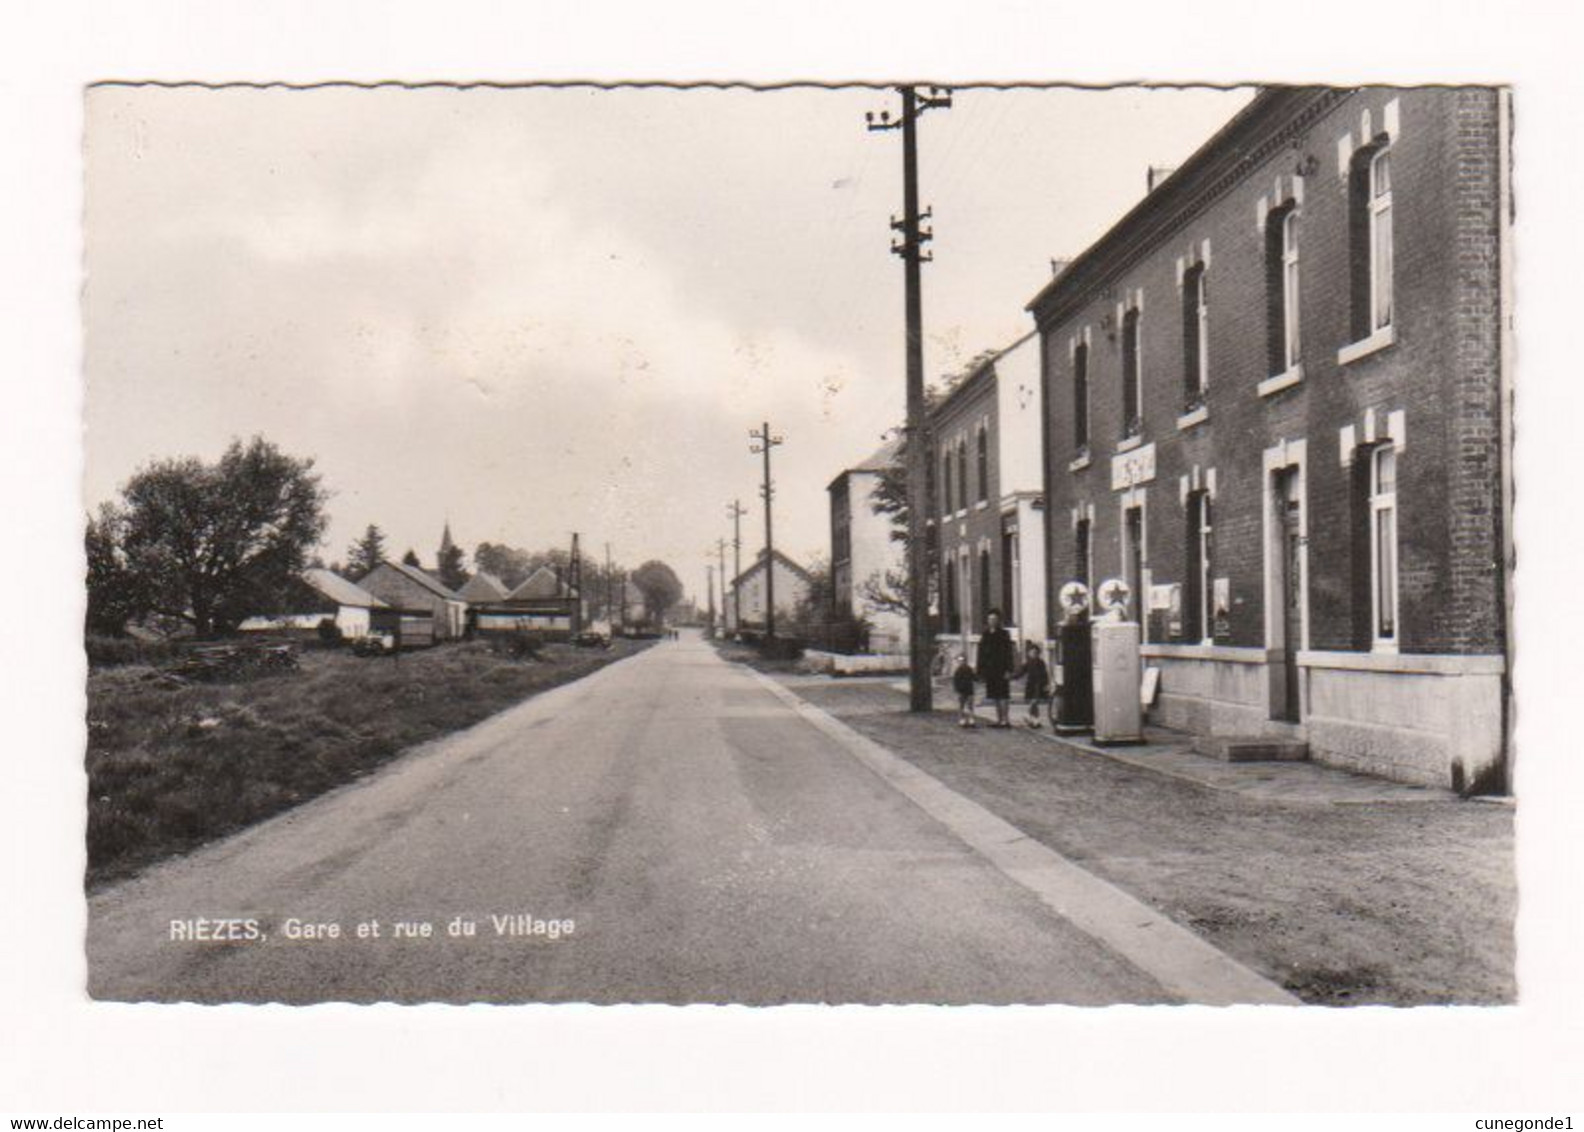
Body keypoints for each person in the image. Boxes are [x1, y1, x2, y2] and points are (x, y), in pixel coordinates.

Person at [976, 608, 1017, 729]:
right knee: (994, 695)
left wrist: (1009, 669)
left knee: (1003, 694)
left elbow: (1008, 653)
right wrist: (980, 670)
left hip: (1001, 668)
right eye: (990, 619)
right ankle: (999, 719)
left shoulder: (1004, 634)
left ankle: (1005, 719)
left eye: (994, 619)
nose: (992, 621)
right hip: (990, 669)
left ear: (998, 620)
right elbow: (981, 653)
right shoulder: (985, 634)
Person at [1021, 641, 1051, 729]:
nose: (1033, 654)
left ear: (1038, 653)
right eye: (1031, 652)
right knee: (1034, 704)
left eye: (1035, 652)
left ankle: (1029, 717)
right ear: (1029, 653)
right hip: (1031, 685)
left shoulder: (1041, 662)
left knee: (1034, 702)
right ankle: (1035, 720)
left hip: (1039, 685)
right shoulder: (1028, 663)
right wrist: (1012, 677)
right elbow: (1021, 672)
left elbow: (1045, 674)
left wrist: (1046, 685)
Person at [951, 653, 979, 728]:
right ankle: (962, 719)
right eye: (960, 661)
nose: (961, 662)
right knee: (962, 705)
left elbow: (975, 678)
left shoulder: (969, 669)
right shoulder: (958, 671)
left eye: (962, 660)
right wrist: (956, 689)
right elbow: (955, 681)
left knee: (969, 705)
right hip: (962, 690)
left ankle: (971, 718)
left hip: (969, 689)